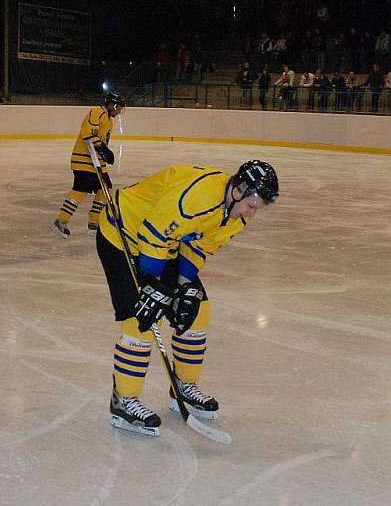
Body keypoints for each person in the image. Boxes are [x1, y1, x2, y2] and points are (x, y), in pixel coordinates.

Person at [96, 160, 279, 436]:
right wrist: (152, 287)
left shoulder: (235, 215)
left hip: (164, 242)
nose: (252, 215)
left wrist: (183, 288)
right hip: (123, 234)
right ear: (239, 190)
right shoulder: (199, 196)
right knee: (141, 317)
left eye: (258, 209)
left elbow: (198, 246)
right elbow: (153, 233)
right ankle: (123, 400)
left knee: (197, 309)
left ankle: (183, 385)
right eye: (252, 206)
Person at [52, 92, 124, 238]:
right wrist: (103, 150)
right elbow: (88, 134)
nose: (119, 111)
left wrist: (104, 152)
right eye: (119, 108)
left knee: (105, 190)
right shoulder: (96, 112)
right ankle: (60, 222)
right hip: (83, 160)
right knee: (80, 190)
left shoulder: (109, 121)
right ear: (111, 105)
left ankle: (94, 223)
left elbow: (101, 140)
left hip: (96, 162)